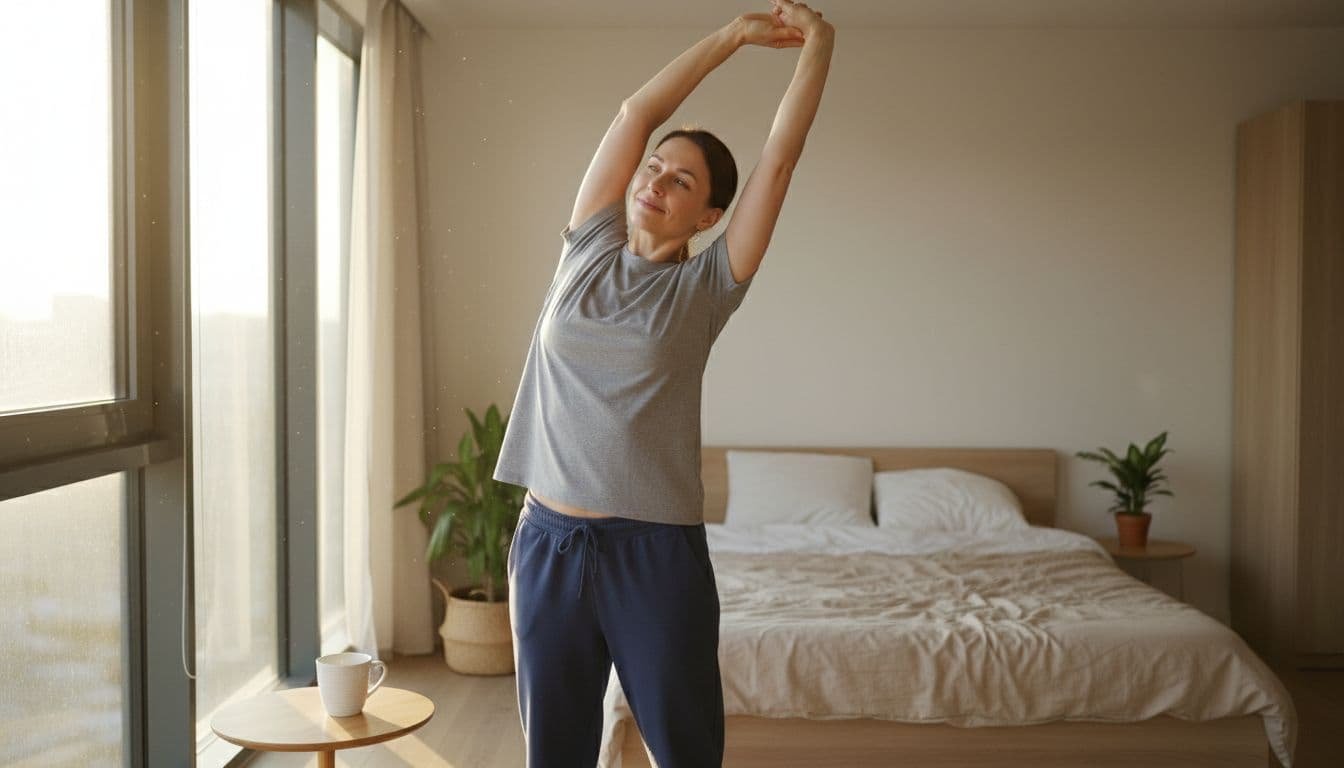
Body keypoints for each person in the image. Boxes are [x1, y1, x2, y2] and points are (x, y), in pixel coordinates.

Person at [491, 1, 834, 765]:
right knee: (554, 752)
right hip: (547, 540)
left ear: (710, 213)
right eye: (654, 166)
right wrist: (731, 38)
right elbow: (636, 112)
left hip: (652, 555)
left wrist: (819, 43)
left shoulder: (708, 287)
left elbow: (779, 157)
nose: (656, 180)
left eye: (681, 180)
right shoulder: (586, 245)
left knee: (683, 750)